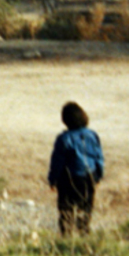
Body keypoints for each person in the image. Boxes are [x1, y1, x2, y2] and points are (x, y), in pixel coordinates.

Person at [47, 101, 104, 236]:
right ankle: (84, 236)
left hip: (68, 179)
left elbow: (57, 162)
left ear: (65, 120)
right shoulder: (92, 135)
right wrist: (98, 175)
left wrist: (53, 179)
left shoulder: (63, 139)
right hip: (89, 177)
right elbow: (98, 157)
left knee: (66, 211)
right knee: (85, 210)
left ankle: (66, 238)